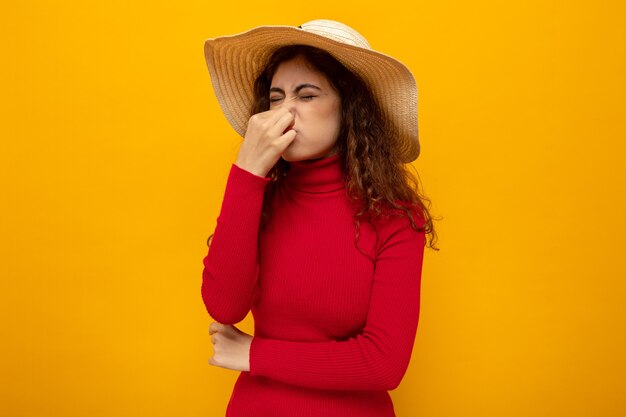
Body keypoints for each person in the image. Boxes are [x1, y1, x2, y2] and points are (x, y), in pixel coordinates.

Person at [201, 19, 438, 417]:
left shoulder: (395, 218)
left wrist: (254, 354)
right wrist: (247, 172)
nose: (285, 112)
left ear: (350, 109)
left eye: (306, 95)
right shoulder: (258, 198)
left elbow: (384, 363)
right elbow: (224, 308)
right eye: (276, 98)